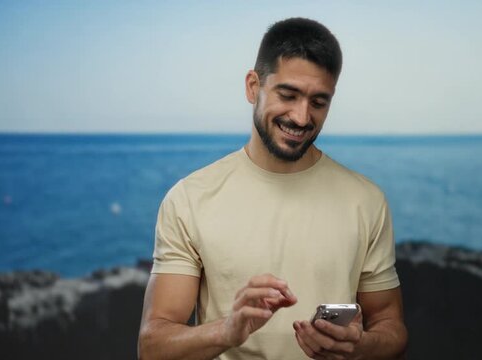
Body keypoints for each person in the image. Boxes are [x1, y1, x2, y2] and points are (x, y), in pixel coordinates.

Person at [138, 17, 407, 359]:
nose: (301, 117)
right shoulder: (190, 199)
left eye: (319, 102)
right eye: (288, 94)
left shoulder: (366, 200)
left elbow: (391, 326)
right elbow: (152, 346)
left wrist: (360, 346)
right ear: (253, 86)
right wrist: (227, 330)